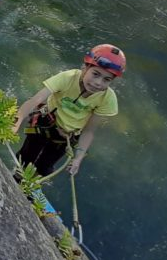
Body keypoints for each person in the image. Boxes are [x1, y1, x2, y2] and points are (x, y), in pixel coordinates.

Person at [11, 44, 126, 177]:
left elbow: (89, 131)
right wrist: (17, 120)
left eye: (107, 80)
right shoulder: (67, 78)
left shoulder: (107, 98)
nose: (98, 83)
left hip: (66, 137)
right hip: (44, 124)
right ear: (85, 68)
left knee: (44, 167)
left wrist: (78, 158)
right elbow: (36, 100)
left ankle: (30, 185)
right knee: (26, 157)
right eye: (95, 74)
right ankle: (17, 177)